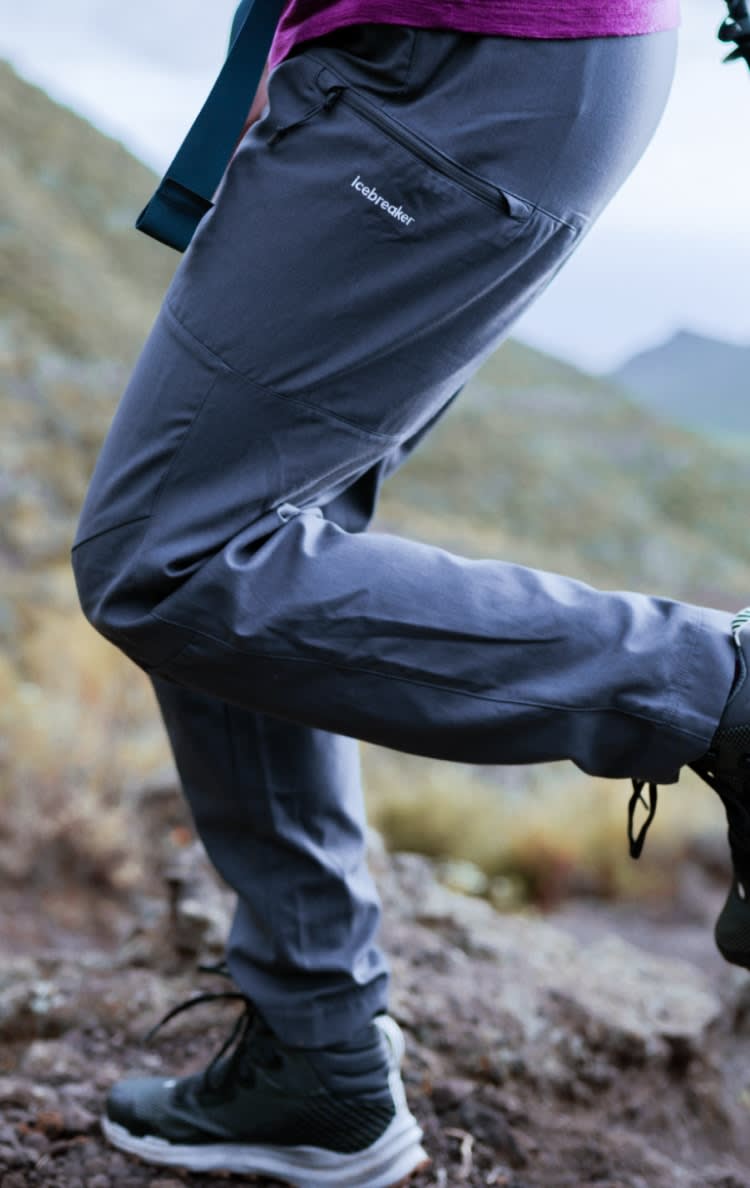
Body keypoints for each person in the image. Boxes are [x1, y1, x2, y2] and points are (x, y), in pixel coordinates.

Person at [70, 2, 750, 1185]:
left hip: (460, 59)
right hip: (486, 62)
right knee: (257, 531)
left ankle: (718, 686)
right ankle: (314, 1047)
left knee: (176, 554)